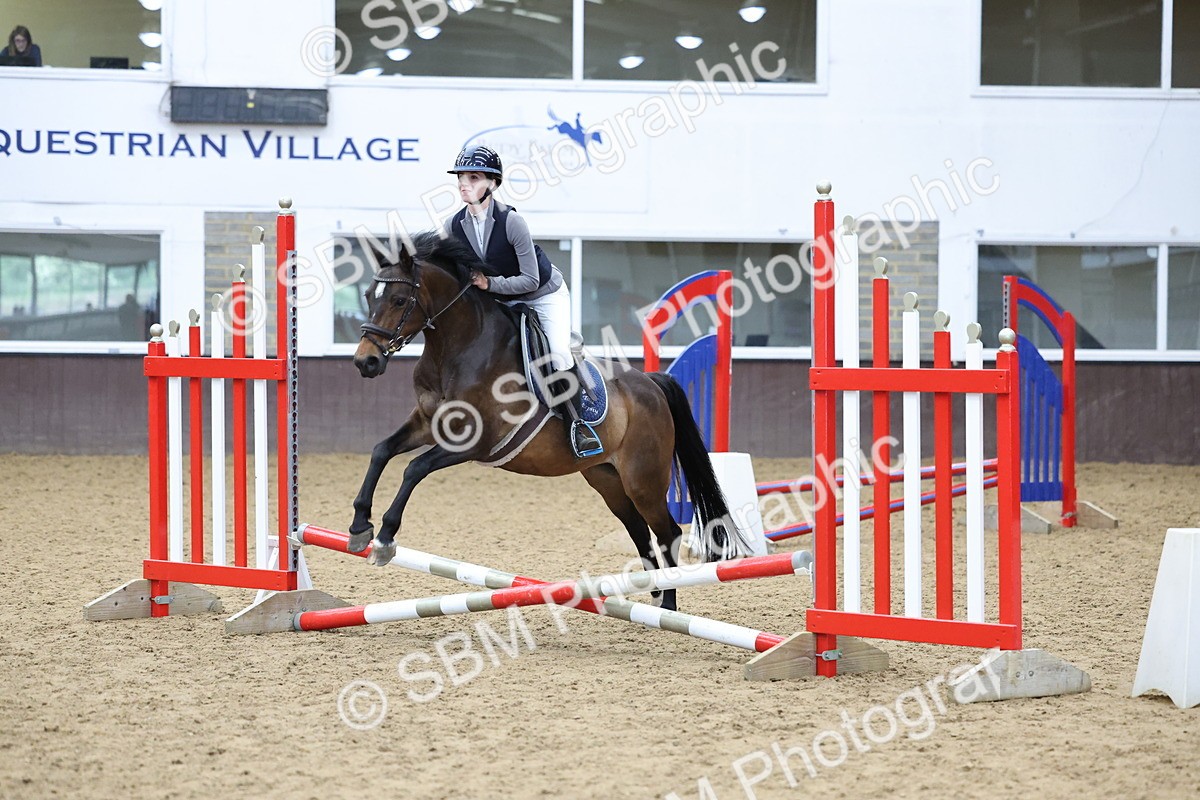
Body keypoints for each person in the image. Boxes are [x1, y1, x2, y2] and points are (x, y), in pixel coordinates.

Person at [444, 144, 603, 458]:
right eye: (461, 177)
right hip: (499, 298)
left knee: (557, 355)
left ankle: (578, 425)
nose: (464, 183)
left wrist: (489, 283)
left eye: (473, 177)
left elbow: (530, 279)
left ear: (492, 184)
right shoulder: (452, 226)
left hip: (542, 294)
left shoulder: (512, 222)